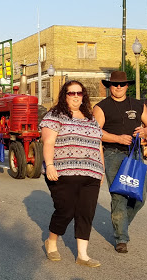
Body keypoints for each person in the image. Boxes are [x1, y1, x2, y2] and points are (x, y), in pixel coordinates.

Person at [41, 80, 105, 267]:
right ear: (65, 95)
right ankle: (51, 242)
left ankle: (82, 255)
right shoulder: (55, 115)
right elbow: (48, 142)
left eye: (79, 93)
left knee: (86, 212)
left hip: (91, 173)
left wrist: (100, 169)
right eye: (71, 93)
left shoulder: (90, 118)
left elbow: (98, 144)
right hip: (62, 172)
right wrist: (50, 165)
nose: (76, 96)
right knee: (66, 210)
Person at [93, 71, 147, 253]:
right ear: (109, 86)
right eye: (114, 84)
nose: (118, 87)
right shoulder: (102, 107)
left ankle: (120, 221)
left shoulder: (137, 104)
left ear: (127, 86)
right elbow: (96, 132)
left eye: (122, 84)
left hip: (135, 155)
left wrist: (145, 131)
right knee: (119, 196)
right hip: (113, 155)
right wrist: (117, 138)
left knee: (139, 197)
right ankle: (121, 237)